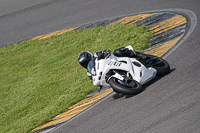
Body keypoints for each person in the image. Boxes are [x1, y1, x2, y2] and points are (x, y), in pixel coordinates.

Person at [78, 45, 146, 80]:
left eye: (87, 61)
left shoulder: (96, 55)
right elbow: (95, 80)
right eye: (84, 64)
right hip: (108, 75)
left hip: (114, 61)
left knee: (117, 52)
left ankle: (141, 56)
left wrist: (105, 52)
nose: (86, 64)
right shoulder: (89, 73)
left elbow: (104, 52)